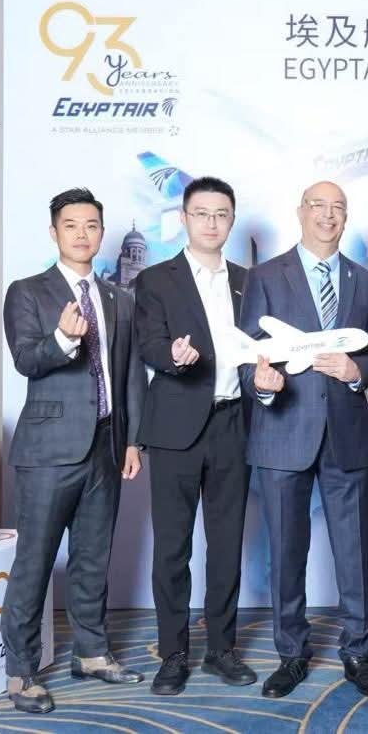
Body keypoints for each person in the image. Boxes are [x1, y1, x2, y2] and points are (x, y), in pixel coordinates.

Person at [238, 181, 368, 699]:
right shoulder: (264, 277)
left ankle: (359, 652)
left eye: (338, 207)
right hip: (283, 431)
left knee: (354, 552)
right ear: (300, 212)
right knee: (285, 551)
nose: (328, 214)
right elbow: (248, 355)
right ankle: (291, 653)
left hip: (346, 434)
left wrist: (356, 371)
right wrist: (261, 384)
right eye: (318, 206)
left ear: (346, 217)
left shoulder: (366, 282)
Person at [0, 187, 146, 714]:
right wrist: (63, 340)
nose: (83, 234)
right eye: (71, 225)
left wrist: (133, 439)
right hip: (47, 453)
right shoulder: (28, 292)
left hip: (106, 445)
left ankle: (91, 652)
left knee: (92, 559)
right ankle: (21, 671)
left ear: (102, 233)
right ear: (53, 232)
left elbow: (130, 373)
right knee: (34, 562)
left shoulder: (118, 298)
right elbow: (26, 359)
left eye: (91, 225)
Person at [134, 177, 255, 695]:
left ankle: (221, 649)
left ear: (231, 221)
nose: (211, 222)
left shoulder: (250, 281)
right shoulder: (156, 279)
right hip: (175, 428)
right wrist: (172, 356)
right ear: (183, 218)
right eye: (201, 213)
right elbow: (148, 343)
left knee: (226, 545)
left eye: (221, 214)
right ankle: (173, 653)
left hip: (234, 424)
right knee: (172, 547)